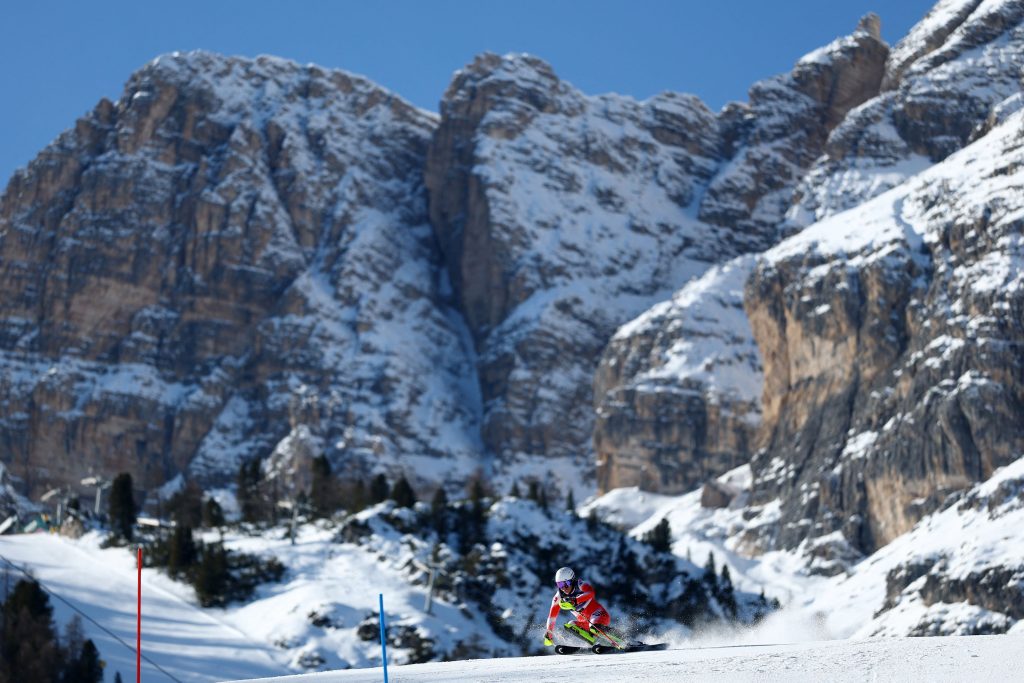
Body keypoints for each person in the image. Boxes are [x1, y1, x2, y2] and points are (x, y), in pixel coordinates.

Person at [543, 566, 620, 646]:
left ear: (572, 581)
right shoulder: (558, 597)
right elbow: (552, 616)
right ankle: (596, 643)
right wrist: (549, 632)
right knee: (570, 625)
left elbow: (591, 593)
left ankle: (621, 637)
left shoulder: (580, 585)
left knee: (593, 628)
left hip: (598, 615)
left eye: (567, 584)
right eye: (560, 584)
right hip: (585, 622)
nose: (563, 588)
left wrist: (575, 600)